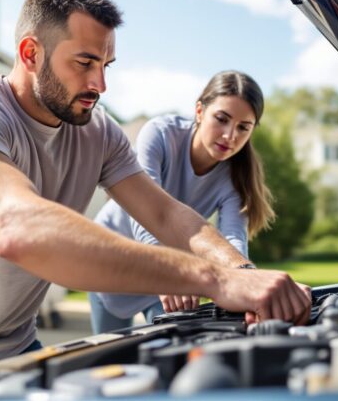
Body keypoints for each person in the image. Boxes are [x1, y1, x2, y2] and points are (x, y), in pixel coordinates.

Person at [0, 0, 311, 401]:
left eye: (106, 63)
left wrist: (244, 273)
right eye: (85, 62)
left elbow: (167, 216)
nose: (100, 83)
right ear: (30, 54)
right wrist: (216, 281)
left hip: (14, 355)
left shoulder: (97, 132)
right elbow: (15, 227)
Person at [88, 70, 275, 333]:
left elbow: (233, 239)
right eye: (222, 119)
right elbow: (146, 212)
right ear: (199, 111)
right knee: (108, 361)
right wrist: (169, 271)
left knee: (175, 346)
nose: (230, 136)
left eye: (243, 127)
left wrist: (247, 280)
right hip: (114, 259)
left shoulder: (236, 176)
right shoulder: (160, 134)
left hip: (168, 273)